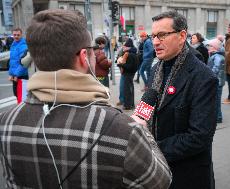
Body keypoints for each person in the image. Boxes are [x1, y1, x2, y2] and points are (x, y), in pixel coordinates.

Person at [0, 9, 172, 188]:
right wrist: (143, 130)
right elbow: (161, 181)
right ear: (84, 57)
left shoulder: (5, 122)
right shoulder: (121, 129)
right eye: (91, 49)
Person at [133, 11, 218, 189]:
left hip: (187, 175)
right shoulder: (157, 69)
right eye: (153, 36)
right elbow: (148, 103)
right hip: (157, 172)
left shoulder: (203, 77)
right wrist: (139, 119)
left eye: (162, 35)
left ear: (182, 36)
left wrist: (151, 149)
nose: (155, 42)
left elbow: (198, 137)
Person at [207, 38, 226, 124]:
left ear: (214, 47)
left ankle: (218, 117)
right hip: (216, 81)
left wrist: (207, 75)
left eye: (210, 46)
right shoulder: (215, 55)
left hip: (217, 82)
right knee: (215, 99)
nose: (208, 47)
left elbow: (216, 69)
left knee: (216, 100)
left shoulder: (218, 57)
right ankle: (217, 116)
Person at [117, 39, 138, 110]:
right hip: (130, 74)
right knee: (130, 89)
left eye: (125, 46)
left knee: (127, 90)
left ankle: (127, 105)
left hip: (128, 74)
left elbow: (129, 66)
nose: (123, 48)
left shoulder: (129, 55)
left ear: (128, 47)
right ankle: (131, 104)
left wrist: (120, 64)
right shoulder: (133, 53)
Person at [8, 28, 28, 99]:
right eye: (14, 35)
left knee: (22, 96)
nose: (16, 36)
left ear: (21, 35)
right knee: (17, 94)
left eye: (18, 35)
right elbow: (12, 61)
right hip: (15, 75)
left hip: (21, 75)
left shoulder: (23, 46)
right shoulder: (13, 44)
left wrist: (16, 75)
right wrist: (10, 74)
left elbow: (24, 63)